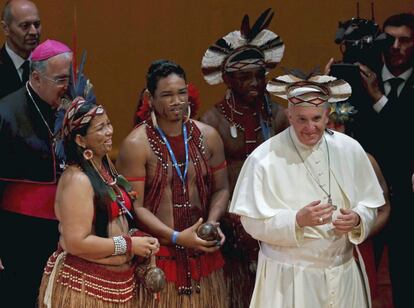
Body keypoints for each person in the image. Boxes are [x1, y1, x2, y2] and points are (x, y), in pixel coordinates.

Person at [230, 72, 385, 308]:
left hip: (342, 274)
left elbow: (370, 204)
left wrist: (357, 218)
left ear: (327, 115)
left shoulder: (350, 149)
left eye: (316, 118)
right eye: (302, 119)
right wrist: (296, 221)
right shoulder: (264, 158)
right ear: (289, 115)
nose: (310, 127)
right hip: (290, 279)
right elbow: (251, 222)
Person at [116, 59, 230, 307]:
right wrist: (177, 237)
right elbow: (136, 207)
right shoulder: (136, 145)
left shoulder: (208, 136)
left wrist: (212, 222)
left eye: (181, 93)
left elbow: (221, 188)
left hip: (205, 257)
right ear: (150, 97)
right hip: (161, 260)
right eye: (167, 95)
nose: (177, 101)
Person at [38, 82, 161, 306]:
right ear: (80, 140)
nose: (109, 132)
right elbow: (75, 242)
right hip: (84, 288)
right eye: (100, 128)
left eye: (109, 124)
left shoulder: (105, 169)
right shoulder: (78, 180)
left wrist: (136, 236)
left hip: (115, 284)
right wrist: (129, 244)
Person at [200, 8, 287, 307]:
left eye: (259, 75)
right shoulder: (212, 121)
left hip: (274, 225)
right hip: (231, 229)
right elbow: (206, 181)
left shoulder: (279, 116)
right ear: (227, 79)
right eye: (244, 77)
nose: (254, 83)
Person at [0, 39, 71, 307]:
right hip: (20, 231)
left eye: (70, 77)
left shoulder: (73, 106)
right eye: (61, 79)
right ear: (37, 77)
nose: (68, 86)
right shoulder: (6, 113)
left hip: (68, 226)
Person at [353, 13, 414, 308]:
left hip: (408, 195)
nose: (395, 46)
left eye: (405, 40)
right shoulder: (360, 76)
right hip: (367, 194)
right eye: (388, 39)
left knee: (406, 280)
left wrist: (378, 97)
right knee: (360, 276)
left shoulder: (374, 86)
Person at [327, 102, 391, 305]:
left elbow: (384, 208)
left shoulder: (365, 159)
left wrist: (360, 230)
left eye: (338, 124)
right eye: (328, 124)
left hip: (356, 245)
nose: (333, 130)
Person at [0, 0, 41, 98]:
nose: (34, 32)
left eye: (37, 24)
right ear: (6, 28)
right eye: (25, 26)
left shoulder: (49, 66)